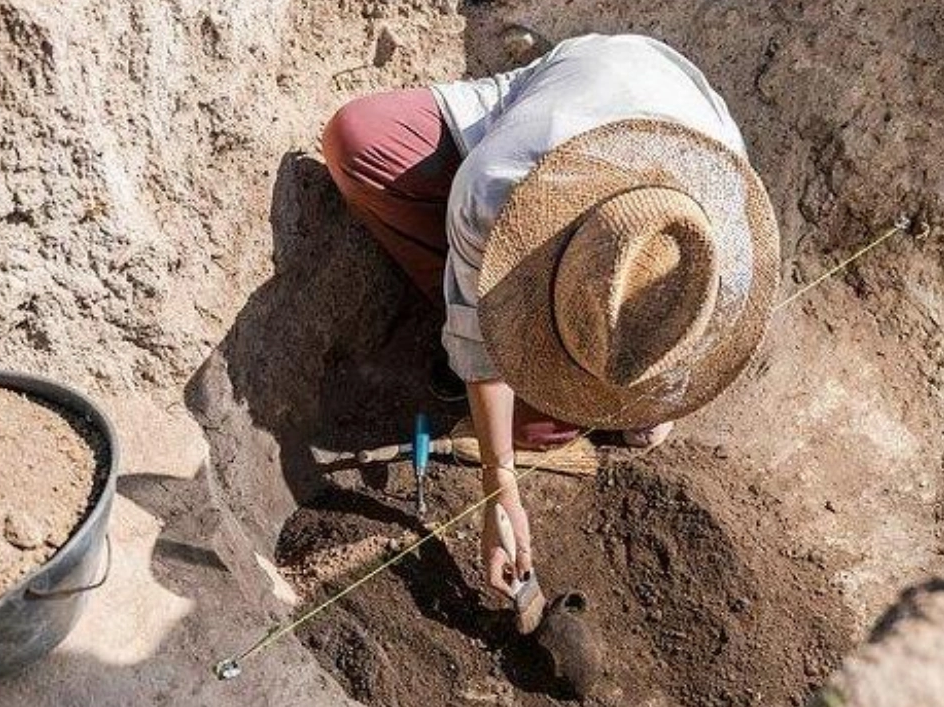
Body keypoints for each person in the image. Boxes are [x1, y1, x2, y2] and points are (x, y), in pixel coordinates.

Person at [321, 34, 779, 607]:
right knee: (358, 139)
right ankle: (502, 304)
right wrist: (500, 488)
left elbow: (698, 343)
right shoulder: (496, 188)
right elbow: (481, 355)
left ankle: (594, 375)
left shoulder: (723, 254)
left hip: (672, 106)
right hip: (564, 88)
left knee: (560, 423)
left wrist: (658, 402)